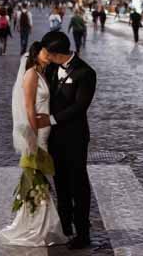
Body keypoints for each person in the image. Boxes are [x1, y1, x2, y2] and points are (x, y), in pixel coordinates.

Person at [0, 42, 67, 247]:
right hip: (37, 134)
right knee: (37, 177)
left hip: (44, 132)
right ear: (36, 54)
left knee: (38, 177)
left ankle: (39, 224)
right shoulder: (31, 74)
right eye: (45, 51)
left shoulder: (41, 73)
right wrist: (33, 135)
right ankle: (36, 227)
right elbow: (28, 107)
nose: (49, 54)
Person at [34, 31, 97, 250]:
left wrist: (51, 119)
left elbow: (80, 106)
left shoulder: (85, 72)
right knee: (60, 183)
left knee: (78, 184)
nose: (46, 56)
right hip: (54, 138)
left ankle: (83, 233)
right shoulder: (52, 68)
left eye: (47, 53)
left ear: (56, 53)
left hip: (75, 137)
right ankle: (65, 228)